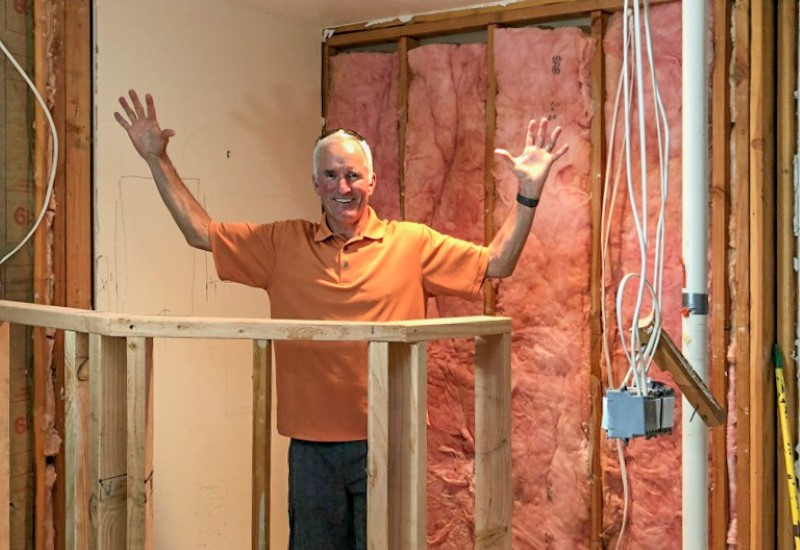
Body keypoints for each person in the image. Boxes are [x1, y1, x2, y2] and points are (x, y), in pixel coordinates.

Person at [115, 89, 568, 550]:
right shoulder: (282, 245)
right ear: (315, 183)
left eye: (352, 175)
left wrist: (527, 195)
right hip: (312, 451)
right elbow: (200, 233)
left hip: (393, 443)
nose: (342, 187)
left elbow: (496, 263)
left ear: (372, 181)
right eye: (330, 175)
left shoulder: (411, 244)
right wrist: (157, 160)